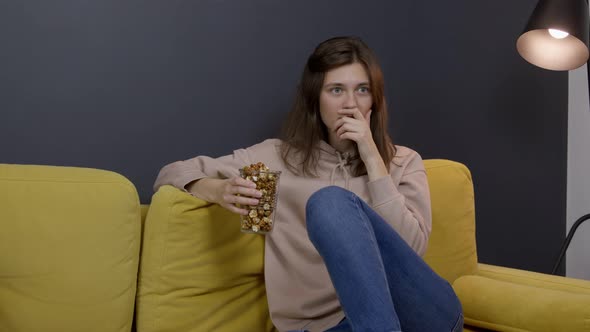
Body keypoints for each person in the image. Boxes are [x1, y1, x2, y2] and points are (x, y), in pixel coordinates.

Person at [154, 36, 463, 332]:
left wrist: (372, 159)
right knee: (327, 202)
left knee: (330, 201)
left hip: (423, 314)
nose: (350, 104)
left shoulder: (402, 162)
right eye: (337, 90)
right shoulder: (276, 160)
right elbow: (171, 172)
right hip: (329, 326)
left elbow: (412, 251)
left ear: (375, 100)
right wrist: (217, 190)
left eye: (362, 90)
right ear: (316, 98)